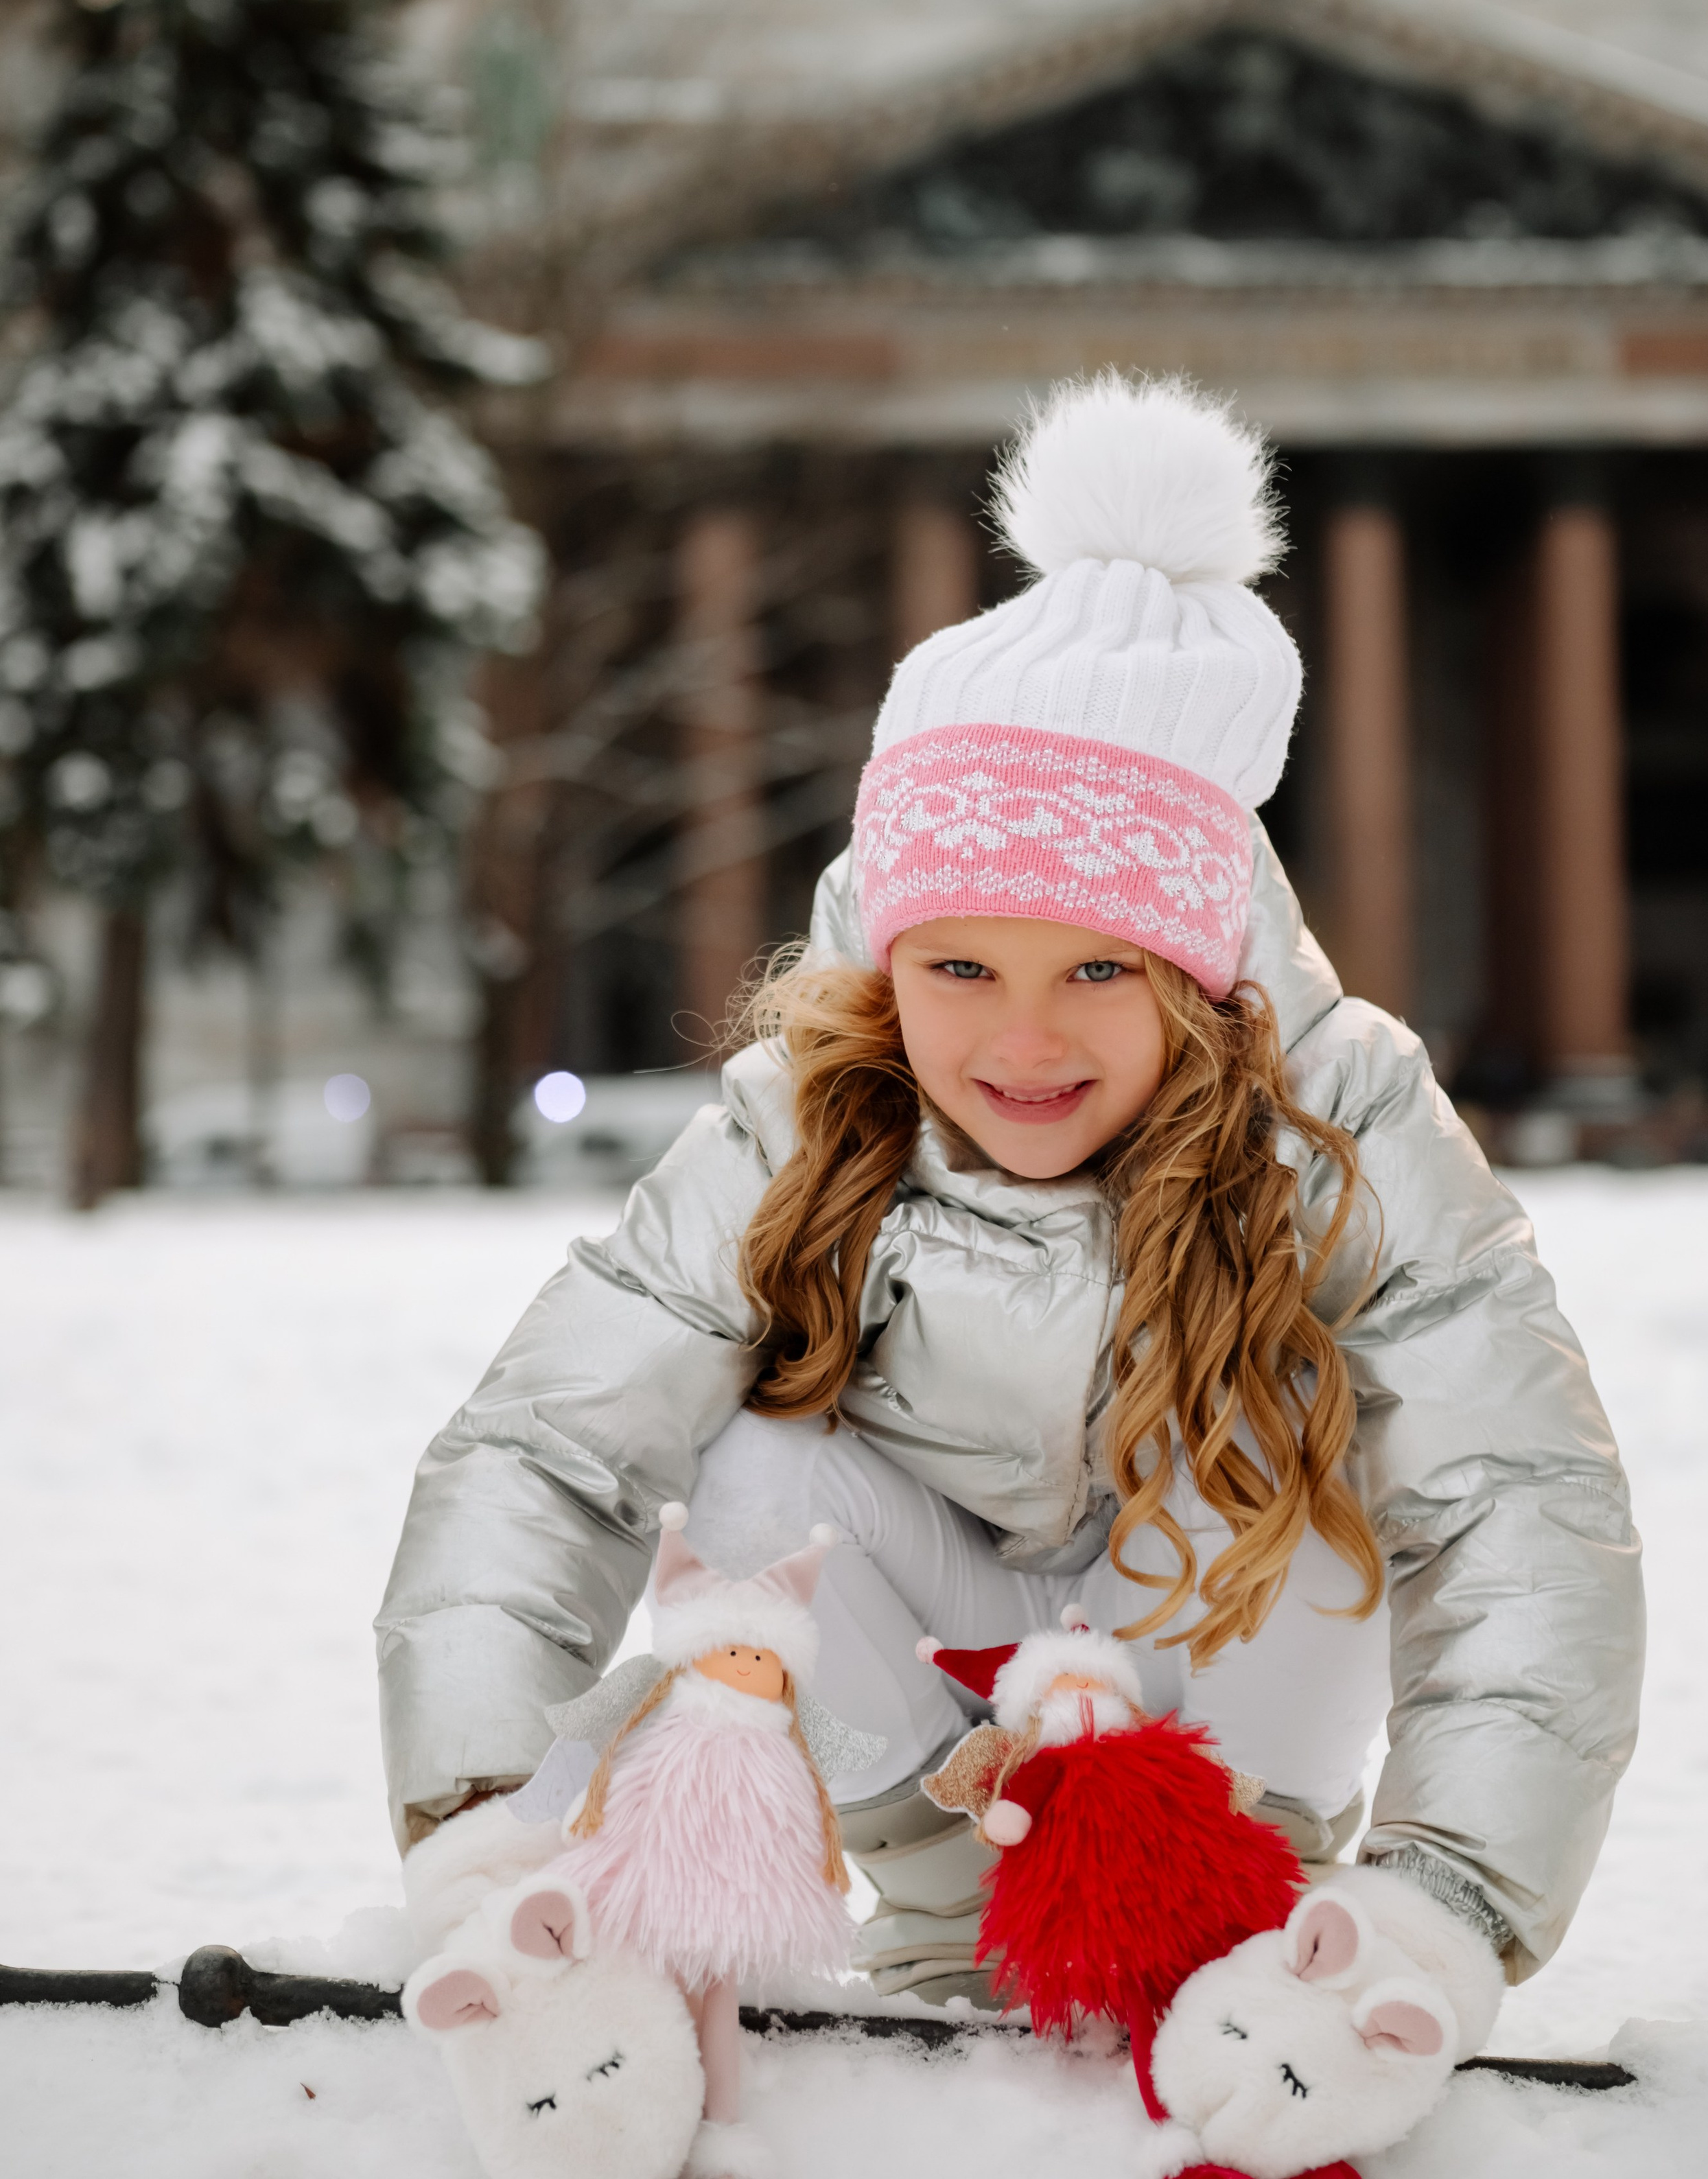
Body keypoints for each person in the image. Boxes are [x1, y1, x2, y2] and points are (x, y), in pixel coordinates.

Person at [377, 371, 1642, 2016]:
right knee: (749, 1462)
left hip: (1211, 1677)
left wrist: (1449, 1894)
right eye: (958, 966)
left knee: (1306, 1436)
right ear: (887, 958)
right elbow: (547, 1445)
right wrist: (481, 1823)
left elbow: (1517, 1500)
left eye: (1097, 969)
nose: (1021, 1040)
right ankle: (948, 1913)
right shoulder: (806, 1113)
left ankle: (1209, 1917)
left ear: (1193, 973)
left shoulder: (1333, 1116)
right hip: (935, 1685)